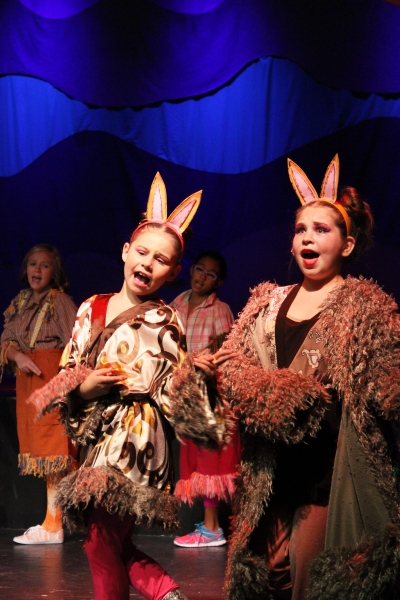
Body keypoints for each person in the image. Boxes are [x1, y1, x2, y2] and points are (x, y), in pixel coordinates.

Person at [27, 173, 233, 600]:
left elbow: (175, 388)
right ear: (125, 252)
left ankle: (162, 592)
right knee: (107, 542)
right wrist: (88, 388)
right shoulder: (92, 307)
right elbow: (71, 371)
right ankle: (167, 592)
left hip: (139, 439)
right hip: (97, 437)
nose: (148, 263)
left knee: (101, 541)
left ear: (173, 271)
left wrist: (196, 374)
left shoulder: (166, 320)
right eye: (142, 252)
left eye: (161, 260)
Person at [220, 155, 400, 600]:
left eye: (322, 230)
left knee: (312, 581)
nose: (307, 237)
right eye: (301, 229)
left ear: (348, 245)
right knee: (269, 577)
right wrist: (260, 392)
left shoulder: (366, 310)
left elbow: (388, 383)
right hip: (269, 471)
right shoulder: (266, 304)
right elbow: (230, 363)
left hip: (326, 475)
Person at [0, 244, 77, 544]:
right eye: (32, 264)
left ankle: (54, 523)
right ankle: (51, 520)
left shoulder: (59, 302)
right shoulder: (19, 302)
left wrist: (66, 380)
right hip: (27, 380)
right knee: (44, 451)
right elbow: (6, 338)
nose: (37, 270)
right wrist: (17, 357)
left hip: (50, 377)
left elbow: (76, 339)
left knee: (56, 448)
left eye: (44, 265)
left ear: (54, 272)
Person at [172, 251, 240, 547]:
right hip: (185, 390)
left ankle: (213, 528)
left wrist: (207, 368)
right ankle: (208, 525)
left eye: (211, 274)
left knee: (211, 456)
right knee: (195, 458)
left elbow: (227, 352)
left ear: (219, 281)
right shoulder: (177, 303)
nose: (202, 277)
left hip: (210, 390)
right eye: (200, 269)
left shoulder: (219, 309)